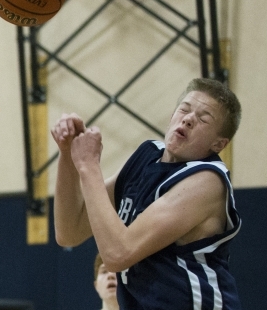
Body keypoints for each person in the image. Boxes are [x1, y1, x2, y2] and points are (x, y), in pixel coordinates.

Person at [52, 78, 242, 309]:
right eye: (184, 109)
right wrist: (67, 153)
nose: (189, 118)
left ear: (218, 144)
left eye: (203, 118)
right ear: (173, 115)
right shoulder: (146, 156)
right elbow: (70, 231)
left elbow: (117, 255)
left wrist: (89, 166)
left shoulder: (208, 181)